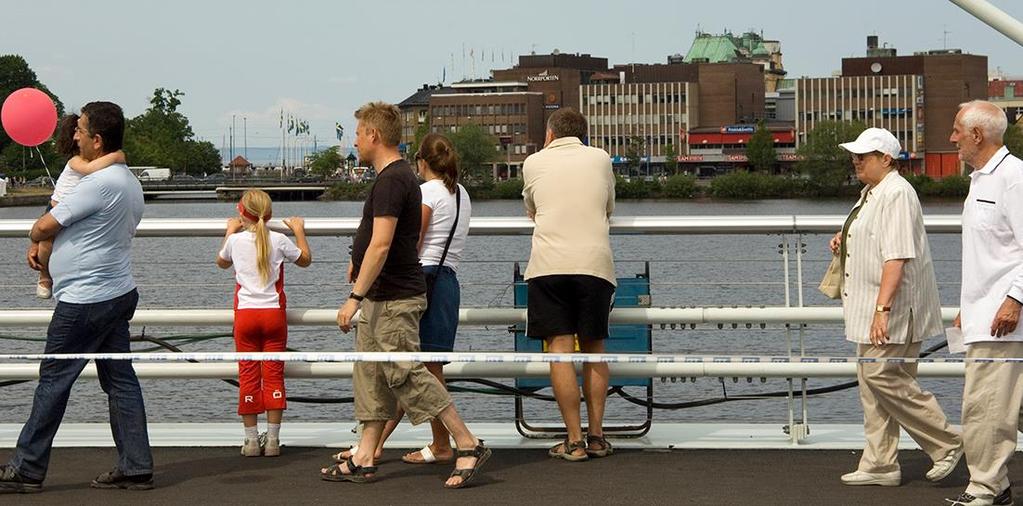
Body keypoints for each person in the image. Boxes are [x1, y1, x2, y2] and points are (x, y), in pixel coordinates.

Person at [324, 102, 489, 489]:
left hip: (394, 296)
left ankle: (467, 442)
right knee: (371, 375)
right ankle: (365, 455)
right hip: (383, 295)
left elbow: (382, 245)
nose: (355, 140)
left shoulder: (393, 181)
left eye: (359, 132)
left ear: (373, 136)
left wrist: (354, 296)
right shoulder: (395, 178)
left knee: (407, 373)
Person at [0, 102, 153, 493]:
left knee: (54, 378)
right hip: (116, 292)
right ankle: (136, 466)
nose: (74, 135)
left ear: (97, 140)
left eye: (81, 130)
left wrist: (39, 239)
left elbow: (41, 227)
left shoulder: (98, 185)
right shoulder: (128, 181)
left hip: (86, 300)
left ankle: (27, 468)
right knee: (120, 380)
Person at [827, 127, 962, 488]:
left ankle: (946, 441)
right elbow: (876, 238)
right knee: (872, 386)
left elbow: (898, 255)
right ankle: (880, 463)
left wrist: (882, 311)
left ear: (886, 159)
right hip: (873, 305)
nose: (856, 160)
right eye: (854, 154)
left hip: (894, 307)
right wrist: (847, 237)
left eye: (864, 155)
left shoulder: (897, 193)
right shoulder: (873, 192)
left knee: (882, 375)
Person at [521, 107, 616, 461]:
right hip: (593, 264)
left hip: (549, 266)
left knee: (559, 352)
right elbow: (609, 207)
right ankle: (596, 436)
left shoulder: (533, 162)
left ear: (549, 134)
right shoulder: (601, 159)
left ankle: (573, 441)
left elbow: (531, 208)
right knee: (594, 349)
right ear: (584, 134)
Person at [946, 100, 1023, 506]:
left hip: (1004, 322)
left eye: (957, 130)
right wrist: (967, 306)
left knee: (985, 407)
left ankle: (987, 488)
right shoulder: (980, 181)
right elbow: (986, 255)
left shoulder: (1013, 179)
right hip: (983, 316)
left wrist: (1014, 301)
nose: (951, 137)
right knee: (997, 406)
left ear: (978, 135)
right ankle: (997, 486)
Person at [216, 189, 311, 457]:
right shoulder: (279, 239)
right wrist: (299, 230)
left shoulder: (235, 241)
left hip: (246, 315)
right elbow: (305, 260)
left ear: (241, 213)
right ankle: (272, 441)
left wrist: (229, 231)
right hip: (273, 315)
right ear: (269, 215)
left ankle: (250, 441)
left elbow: (221, 262)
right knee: (273, 375)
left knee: (248, 374)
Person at [31, 113, 126, 299]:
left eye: (80, 132)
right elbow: (91, 170)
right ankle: (44, 276)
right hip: (56, 208)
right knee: (45, 244)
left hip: (70, 210)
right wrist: (116, 156)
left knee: (48, 241)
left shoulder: (95, 164)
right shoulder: (75, 161)